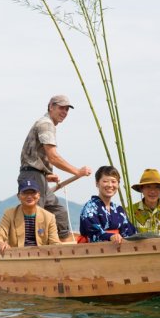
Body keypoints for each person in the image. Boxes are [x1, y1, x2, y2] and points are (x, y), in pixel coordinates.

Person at [18, 94, 92, 241]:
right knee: (35, 215)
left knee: (59, 213)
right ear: (51, 107)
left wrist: (45, 175)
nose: (64, 112)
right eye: (61, 108)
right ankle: (31, 251)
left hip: (37, 176)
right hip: (32, 177)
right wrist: (77, 171)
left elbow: (34, 156)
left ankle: (64, 246)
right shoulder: (46, 124)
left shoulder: (46, 124)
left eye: (66, 109)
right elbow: (53, 156)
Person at [0, 177, 61, 254]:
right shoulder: (10, 214)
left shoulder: (49, 217)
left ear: (38, 195)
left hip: (41, 258)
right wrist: (1, 243)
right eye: (25, 193)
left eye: (33, 192)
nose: (29, 196)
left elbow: (55, 243)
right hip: (17, 257)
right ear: (18, 196)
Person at [79, 165, 137, 243]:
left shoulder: (118, 209)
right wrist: (111, 237)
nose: (110, 185)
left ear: (118, 184)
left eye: (113, 181)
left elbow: (129, 232)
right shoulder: (90, 207)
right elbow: (94, 233)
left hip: (119, 250)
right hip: (95, 251)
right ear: (97, 183)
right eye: (105, 181)